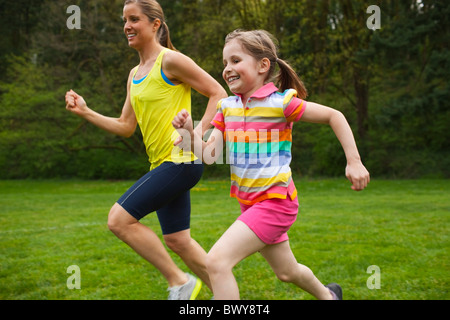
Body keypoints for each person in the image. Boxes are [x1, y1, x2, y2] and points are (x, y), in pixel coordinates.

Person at [172, 29, 370, 300]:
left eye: (235, 60)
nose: (227, 69)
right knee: (287, 272)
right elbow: (207, 154)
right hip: (249, 203)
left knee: (216, 262)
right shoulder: (227, 108)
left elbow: (334, 116)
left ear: (263, 65)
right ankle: (329, 297)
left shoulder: (281, 103)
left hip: (276, 202)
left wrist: (354, 161)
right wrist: (186, 134)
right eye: (225, 63)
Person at [65, 0, 227, 300]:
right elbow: (126, 125)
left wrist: (197, 133)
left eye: (134, 19)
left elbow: (218, 92)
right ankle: (228, 297)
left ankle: (180, 282)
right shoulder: (134, 74)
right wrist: (86, 112)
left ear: (155, 24)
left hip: (180, 159)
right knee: (178, 240)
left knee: (119, 220)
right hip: (161, 165)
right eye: (124, 20)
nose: (127, 26)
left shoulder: (172, 61)